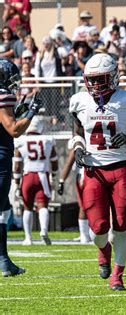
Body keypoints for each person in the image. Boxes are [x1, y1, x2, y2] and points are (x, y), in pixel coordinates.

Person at [69, 53, 126, 290]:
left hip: (121, 169)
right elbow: (76, 132)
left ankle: (118, 274)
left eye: (100, 79)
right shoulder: (80, 101)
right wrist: (78, 149)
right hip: (94, 171)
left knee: (123, 223)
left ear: (114, 77)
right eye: (91, 80)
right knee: (98, 228)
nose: (95, 84)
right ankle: (103, 249)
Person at [0, 57, 42, 276]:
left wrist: (20, 112)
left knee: (4, 209)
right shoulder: (3, 94)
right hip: (0, 161)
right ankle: (4, 261)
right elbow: (14, 129)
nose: (14, 83)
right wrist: (32, 111)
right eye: (11, 77)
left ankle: (4, 260)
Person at [13, 116, 57, 245]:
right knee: (43, 205)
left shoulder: (21, 140)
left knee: (27, 207)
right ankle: (43, 230)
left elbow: (17, 165)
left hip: (27, 177)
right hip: (42, 176)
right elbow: (54, 162)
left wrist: (16, 183)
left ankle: (28, 238)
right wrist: (53, 177)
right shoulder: (47, 140)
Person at [57, 137, 90, 244]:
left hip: (84, 177)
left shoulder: (78, 140)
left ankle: (85, 235)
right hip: (98, 175)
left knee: (84, 207)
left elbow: (68, 163)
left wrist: (61, 180)